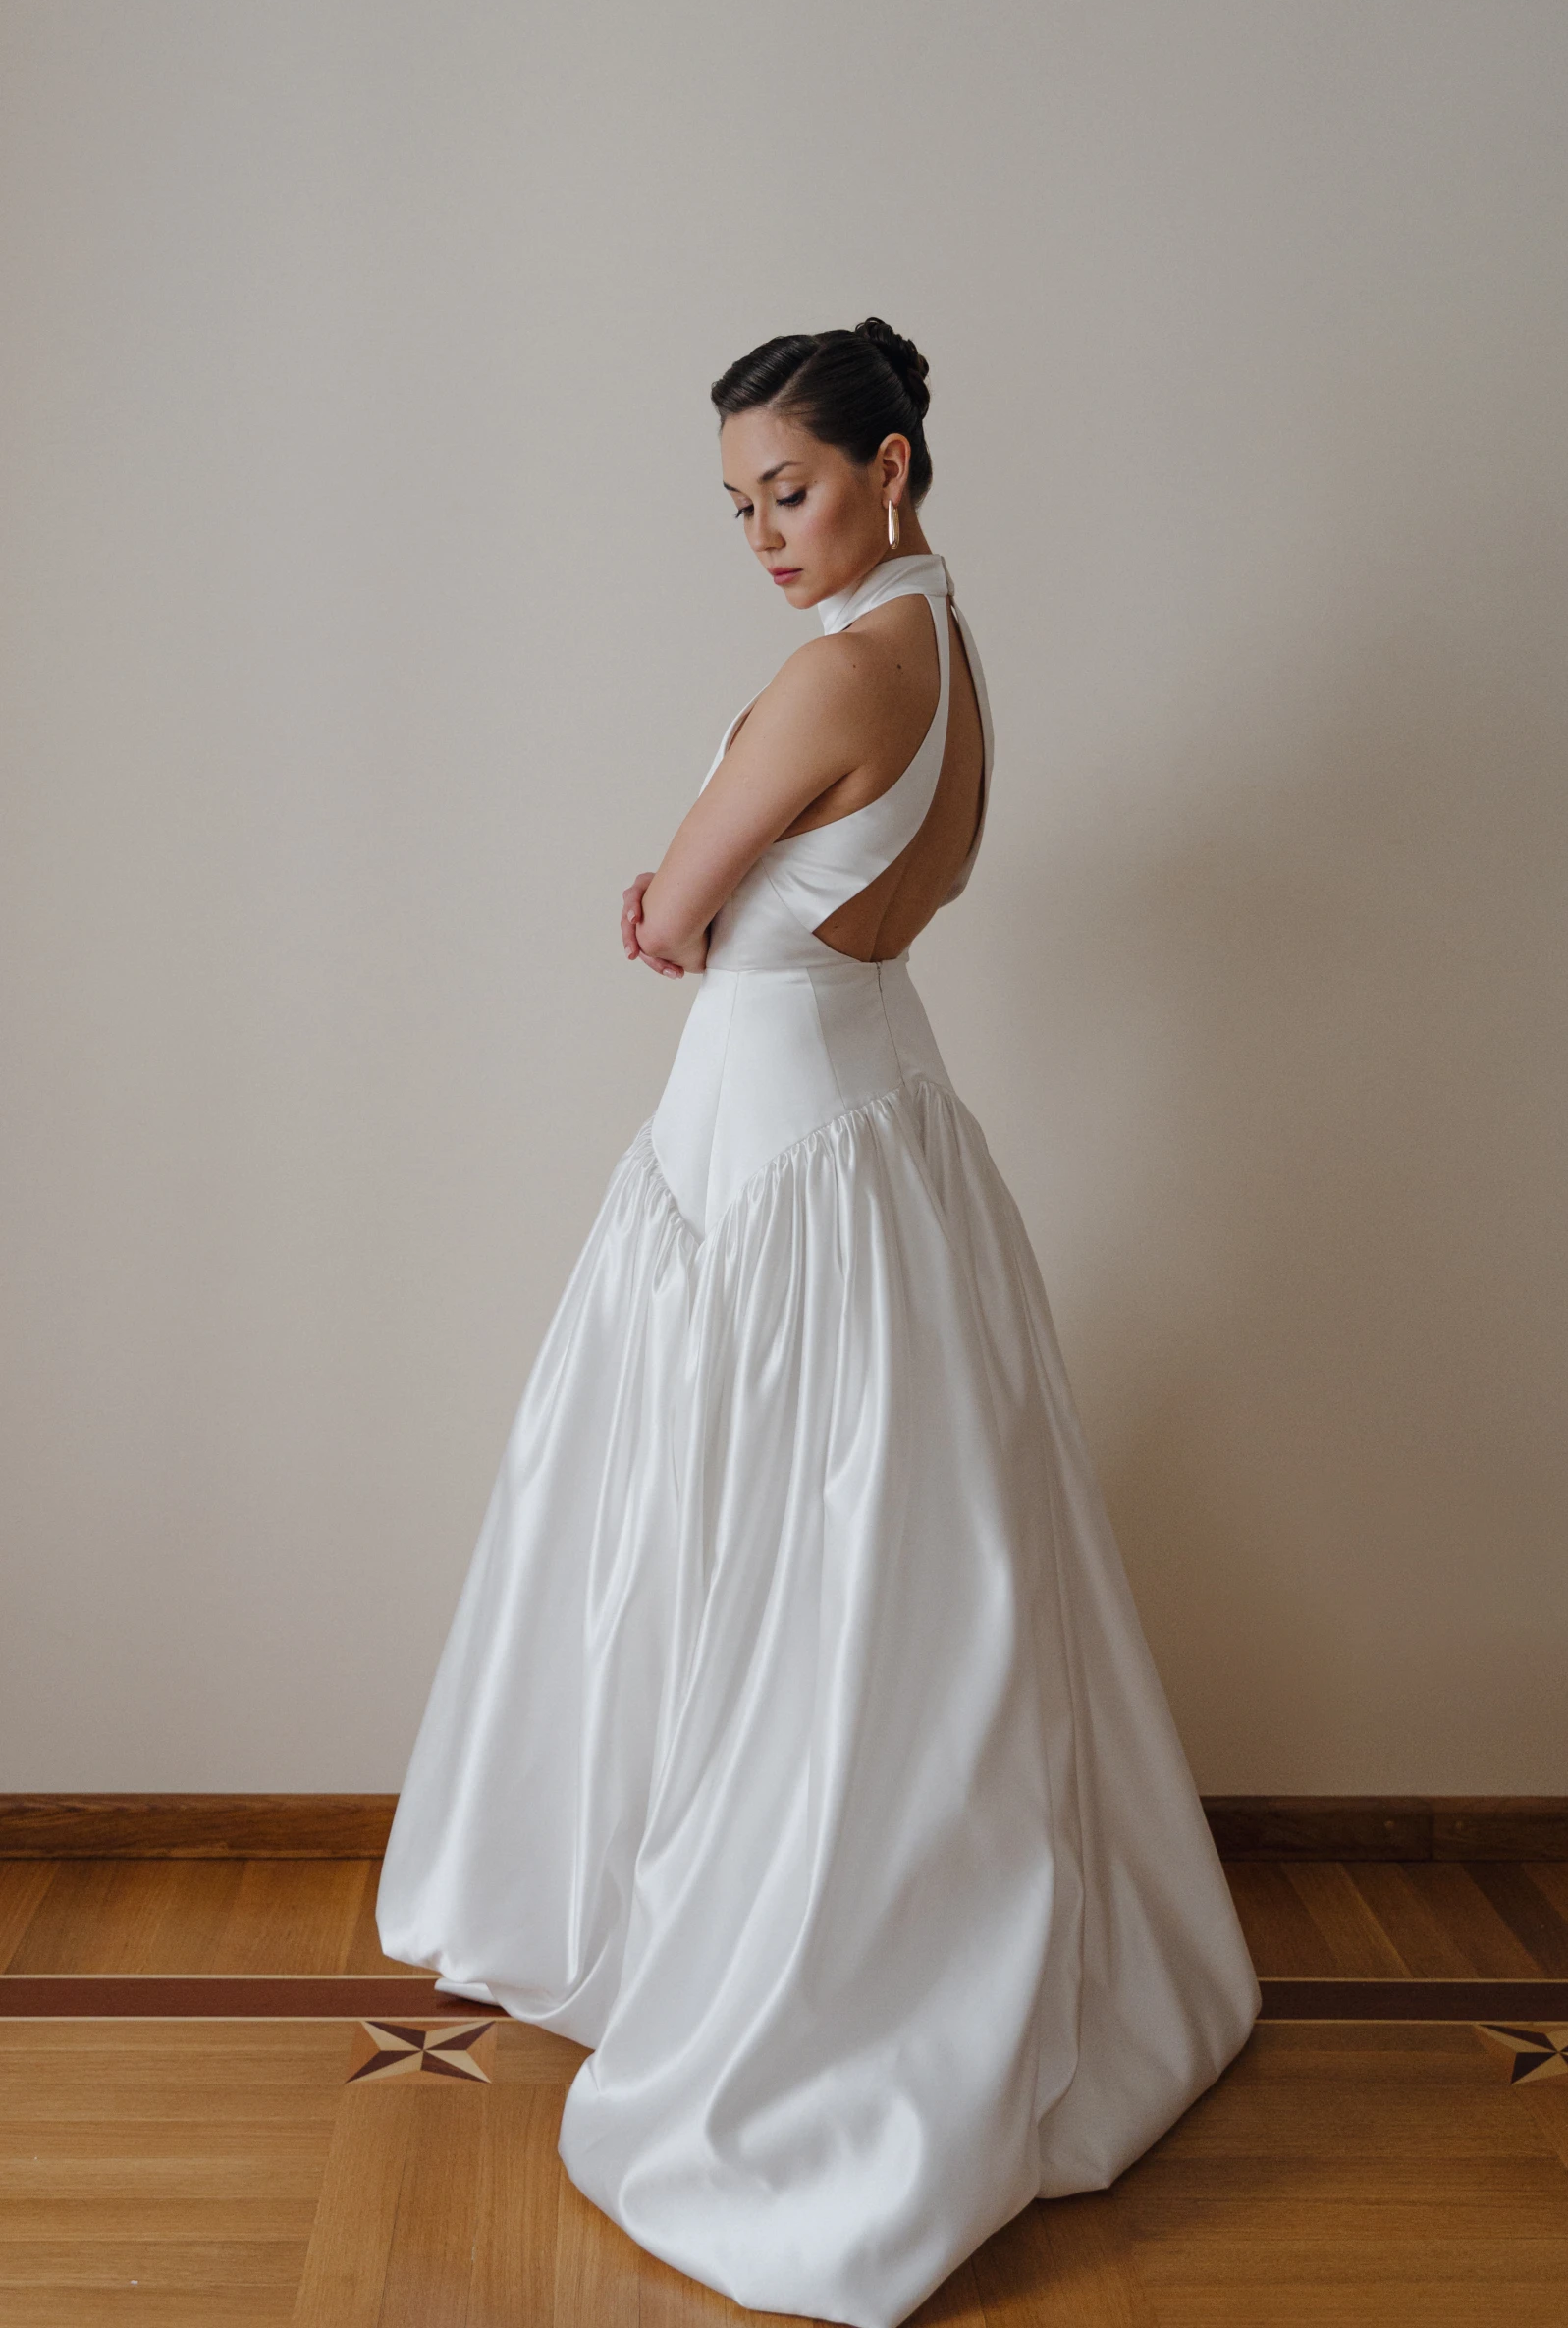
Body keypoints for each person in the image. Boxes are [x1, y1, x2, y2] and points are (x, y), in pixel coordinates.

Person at [376, 317, 1261, 2327]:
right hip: (876, 1115)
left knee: (763, 1545)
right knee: (869, 1559)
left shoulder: (841, 672)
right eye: (740, 507)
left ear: (892, 465)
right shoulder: (950, 656)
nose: (767, 533)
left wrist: (669, 892)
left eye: (790, 489)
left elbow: (676, 916)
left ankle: (779, 1986)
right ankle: (824, 1932)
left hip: (777, 1143)